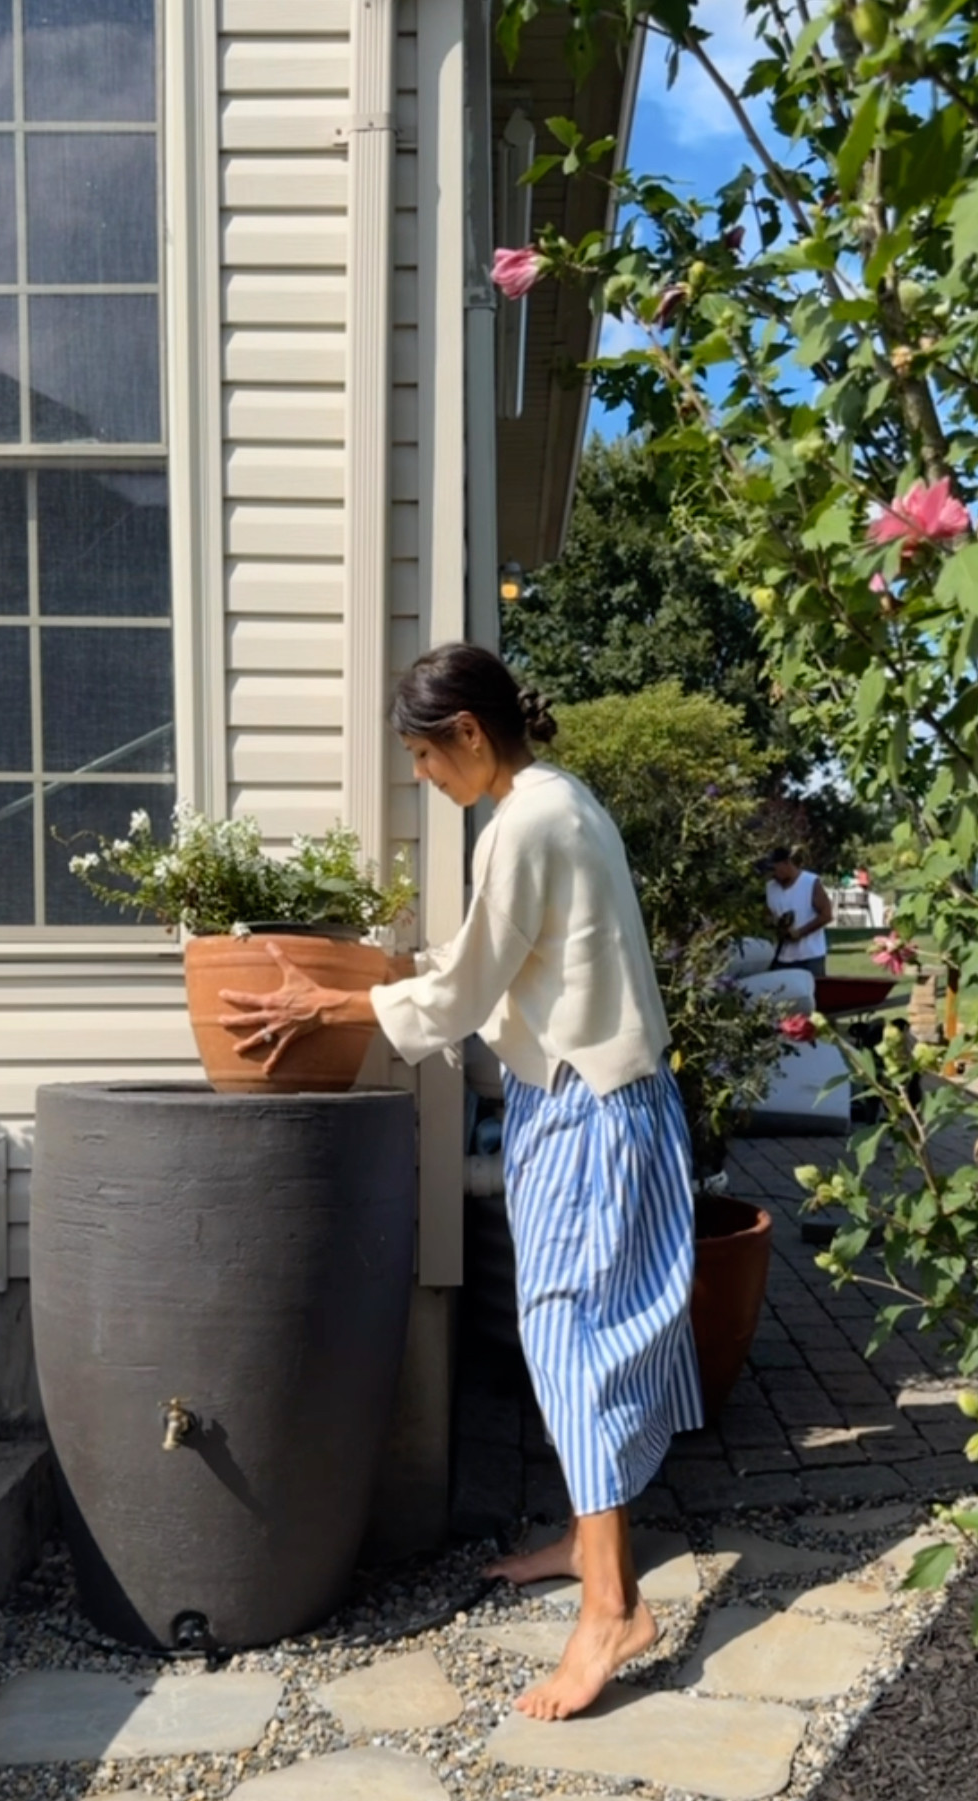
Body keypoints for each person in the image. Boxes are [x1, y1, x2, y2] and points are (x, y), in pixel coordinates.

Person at [217, 643, 703, 1723]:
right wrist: (388, 976)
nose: (424, 780)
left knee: (572, 1330)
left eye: (423, 759)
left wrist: (326, 1008)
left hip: (589, 1105)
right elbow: (494, 961)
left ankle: (613, 1608)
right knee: (584, 1323)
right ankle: (589, 1547)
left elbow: (469, 985)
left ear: (470, 735)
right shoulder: (554, 803)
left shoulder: (529, 822)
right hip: (581, 1097)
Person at [762, 844, 832, 979]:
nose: (772, 874)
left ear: (786, 863)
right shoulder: (770, 887)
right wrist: (774, 923)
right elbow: (767, 915)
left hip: (810, 956)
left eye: (774, 869)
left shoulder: (810, 882)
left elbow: (826, 915)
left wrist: (800, 932)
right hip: (782, 956)